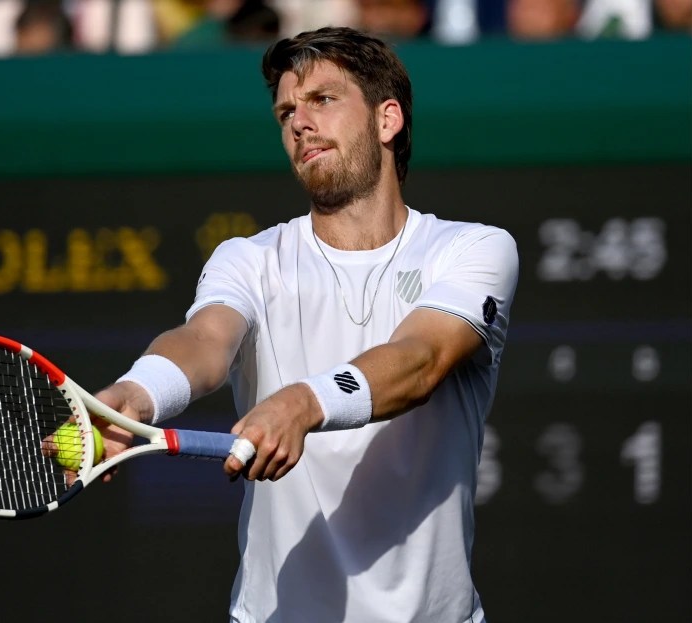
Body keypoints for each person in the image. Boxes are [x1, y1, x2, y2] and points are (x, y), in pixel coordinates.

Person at [90, 26, 518, 622]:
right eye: (286, 110)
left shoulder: (474, 250)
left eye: (323, 100)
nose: (298, 122)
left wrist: (301, 403)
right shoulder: (248, 258)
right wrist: (136, 393)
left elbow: (420, 359)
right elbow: (205, 342)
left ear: (387, 119)